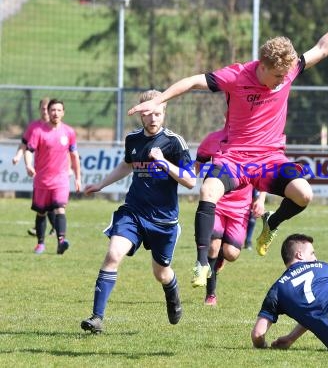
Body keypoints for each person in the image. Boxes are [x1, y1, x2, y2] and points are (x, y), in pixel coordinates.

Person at [128, 0, 328, 287]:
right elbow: (193, 81)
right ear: (264, 66)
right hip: (234, 158)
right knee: (208, 191)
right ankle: (201, 263)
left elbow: (324, 47)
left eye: (287, 74)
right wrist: (159, 100)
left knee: (304, 194)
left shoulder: (289, 70)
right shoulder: (237, 76)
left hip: (270, 159)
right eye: (278, 75)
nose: (283, 80)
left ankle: (272, 223)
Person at [80, 90, 196, 334]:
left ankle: (172, 292)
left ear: (164, 113)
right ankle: (97, 318)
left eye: (157, 113)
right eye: (148, 114)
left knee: (161, 273)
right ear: (140, 115)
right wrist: (101, 184)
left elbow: (190, 181)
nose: (153, 118)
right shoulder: (132, 139)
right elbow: (127, 164)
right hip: (133, 213)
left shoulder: (175, 142)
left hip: (164, 221)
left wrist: (164, 162)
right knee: (113, 255)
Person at [195, 129, 266, 306]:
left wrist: (261, 199)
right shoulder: (213, 138)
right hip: (216, 202)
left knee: (231, 254)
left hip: (240, 206)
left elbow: (265, 172)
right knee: (213, 246)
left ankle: (218, 260)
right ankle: (210, 294)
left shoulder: (254, 141)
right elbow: (197, 163)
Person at [24, 99, 81, 255]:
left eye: (58, 110)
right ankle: (40, 243)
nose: (55, 113)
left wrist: (77, 178)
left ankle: (61, 241)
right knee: (41, 212)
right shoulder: (38, 132)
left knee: (59, 209)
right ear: (48, 113)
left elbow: (74, 156)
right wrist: (28, 165)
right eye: (53, 110)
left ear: (63, 112)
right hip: (42, 180)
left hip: (61, 179)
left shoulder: (69, 132)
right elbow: (29, 150)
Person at [12, 97, 56, 239]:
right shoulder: (34, 127)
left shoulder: (58, 127)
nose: (45, 111)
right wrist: (18, 156)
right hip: (40, 170)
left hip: (56, 171)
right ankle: (50, 228)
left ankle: (54, 229)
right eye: (43, 108)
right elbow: (24, 144)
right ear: (40, 109)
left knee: (52, 202)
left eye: (47, 108)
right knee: (44, 203)